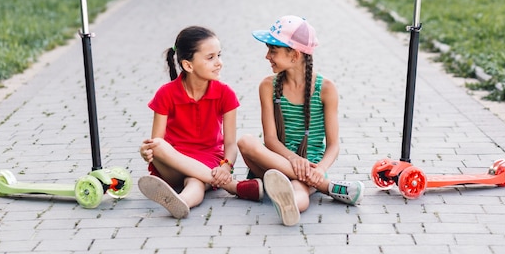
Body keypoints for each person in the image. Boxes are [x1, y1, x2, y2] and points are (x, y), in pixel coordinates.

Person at [237, 16, 364, 226]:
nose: (267, 56)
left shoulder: (326, 89)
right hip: (276, 161)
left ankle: (290, 206)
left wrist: (320, 169)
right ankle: (327, 187)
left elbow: (333, 145)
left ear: (294, 55)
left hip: (311, 166)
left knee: (299, 188)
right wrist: (294, 159)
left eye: (273, 51)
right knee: (245, 142)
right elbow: (270, 139)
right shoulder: (268, 86)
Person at [138, 26, 263, 219]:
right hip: (172, 163)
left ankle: (181, 202)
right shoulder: (166, 93)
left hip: (208, 161)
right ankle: (233, 186)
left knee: (195, 181)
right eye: (210, 57)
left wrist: (225, 167)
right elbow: (156, 141)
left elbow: (230, 144)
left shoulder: (225, 94)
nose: (219, 63)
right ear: (188, 65)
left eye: (219, 55)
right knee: (159, 145)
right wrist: (146, 151)